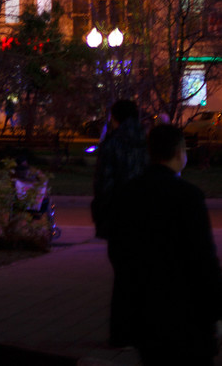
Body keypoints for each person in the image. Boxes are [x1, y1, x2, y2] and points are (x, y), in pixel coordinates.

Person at [109, 123, 222, 366]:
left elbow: (120, 250)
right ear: (180, 151)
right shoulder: (188, 196)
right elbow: (203, 257)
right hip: (187, 316)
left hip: (145, 314)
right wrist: (215, 308)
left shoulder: (130, 192)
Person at [91, 98, 148, 347]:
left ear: (115, 118)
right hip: (147, 219)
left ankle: (121, 334)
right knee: (142, 276)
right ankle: (142, 330)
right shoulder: (148, 143)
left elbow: (104, 185)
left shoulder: (112, 144)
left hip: (119, 219)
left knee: (123, 278)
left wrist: (101, 215)